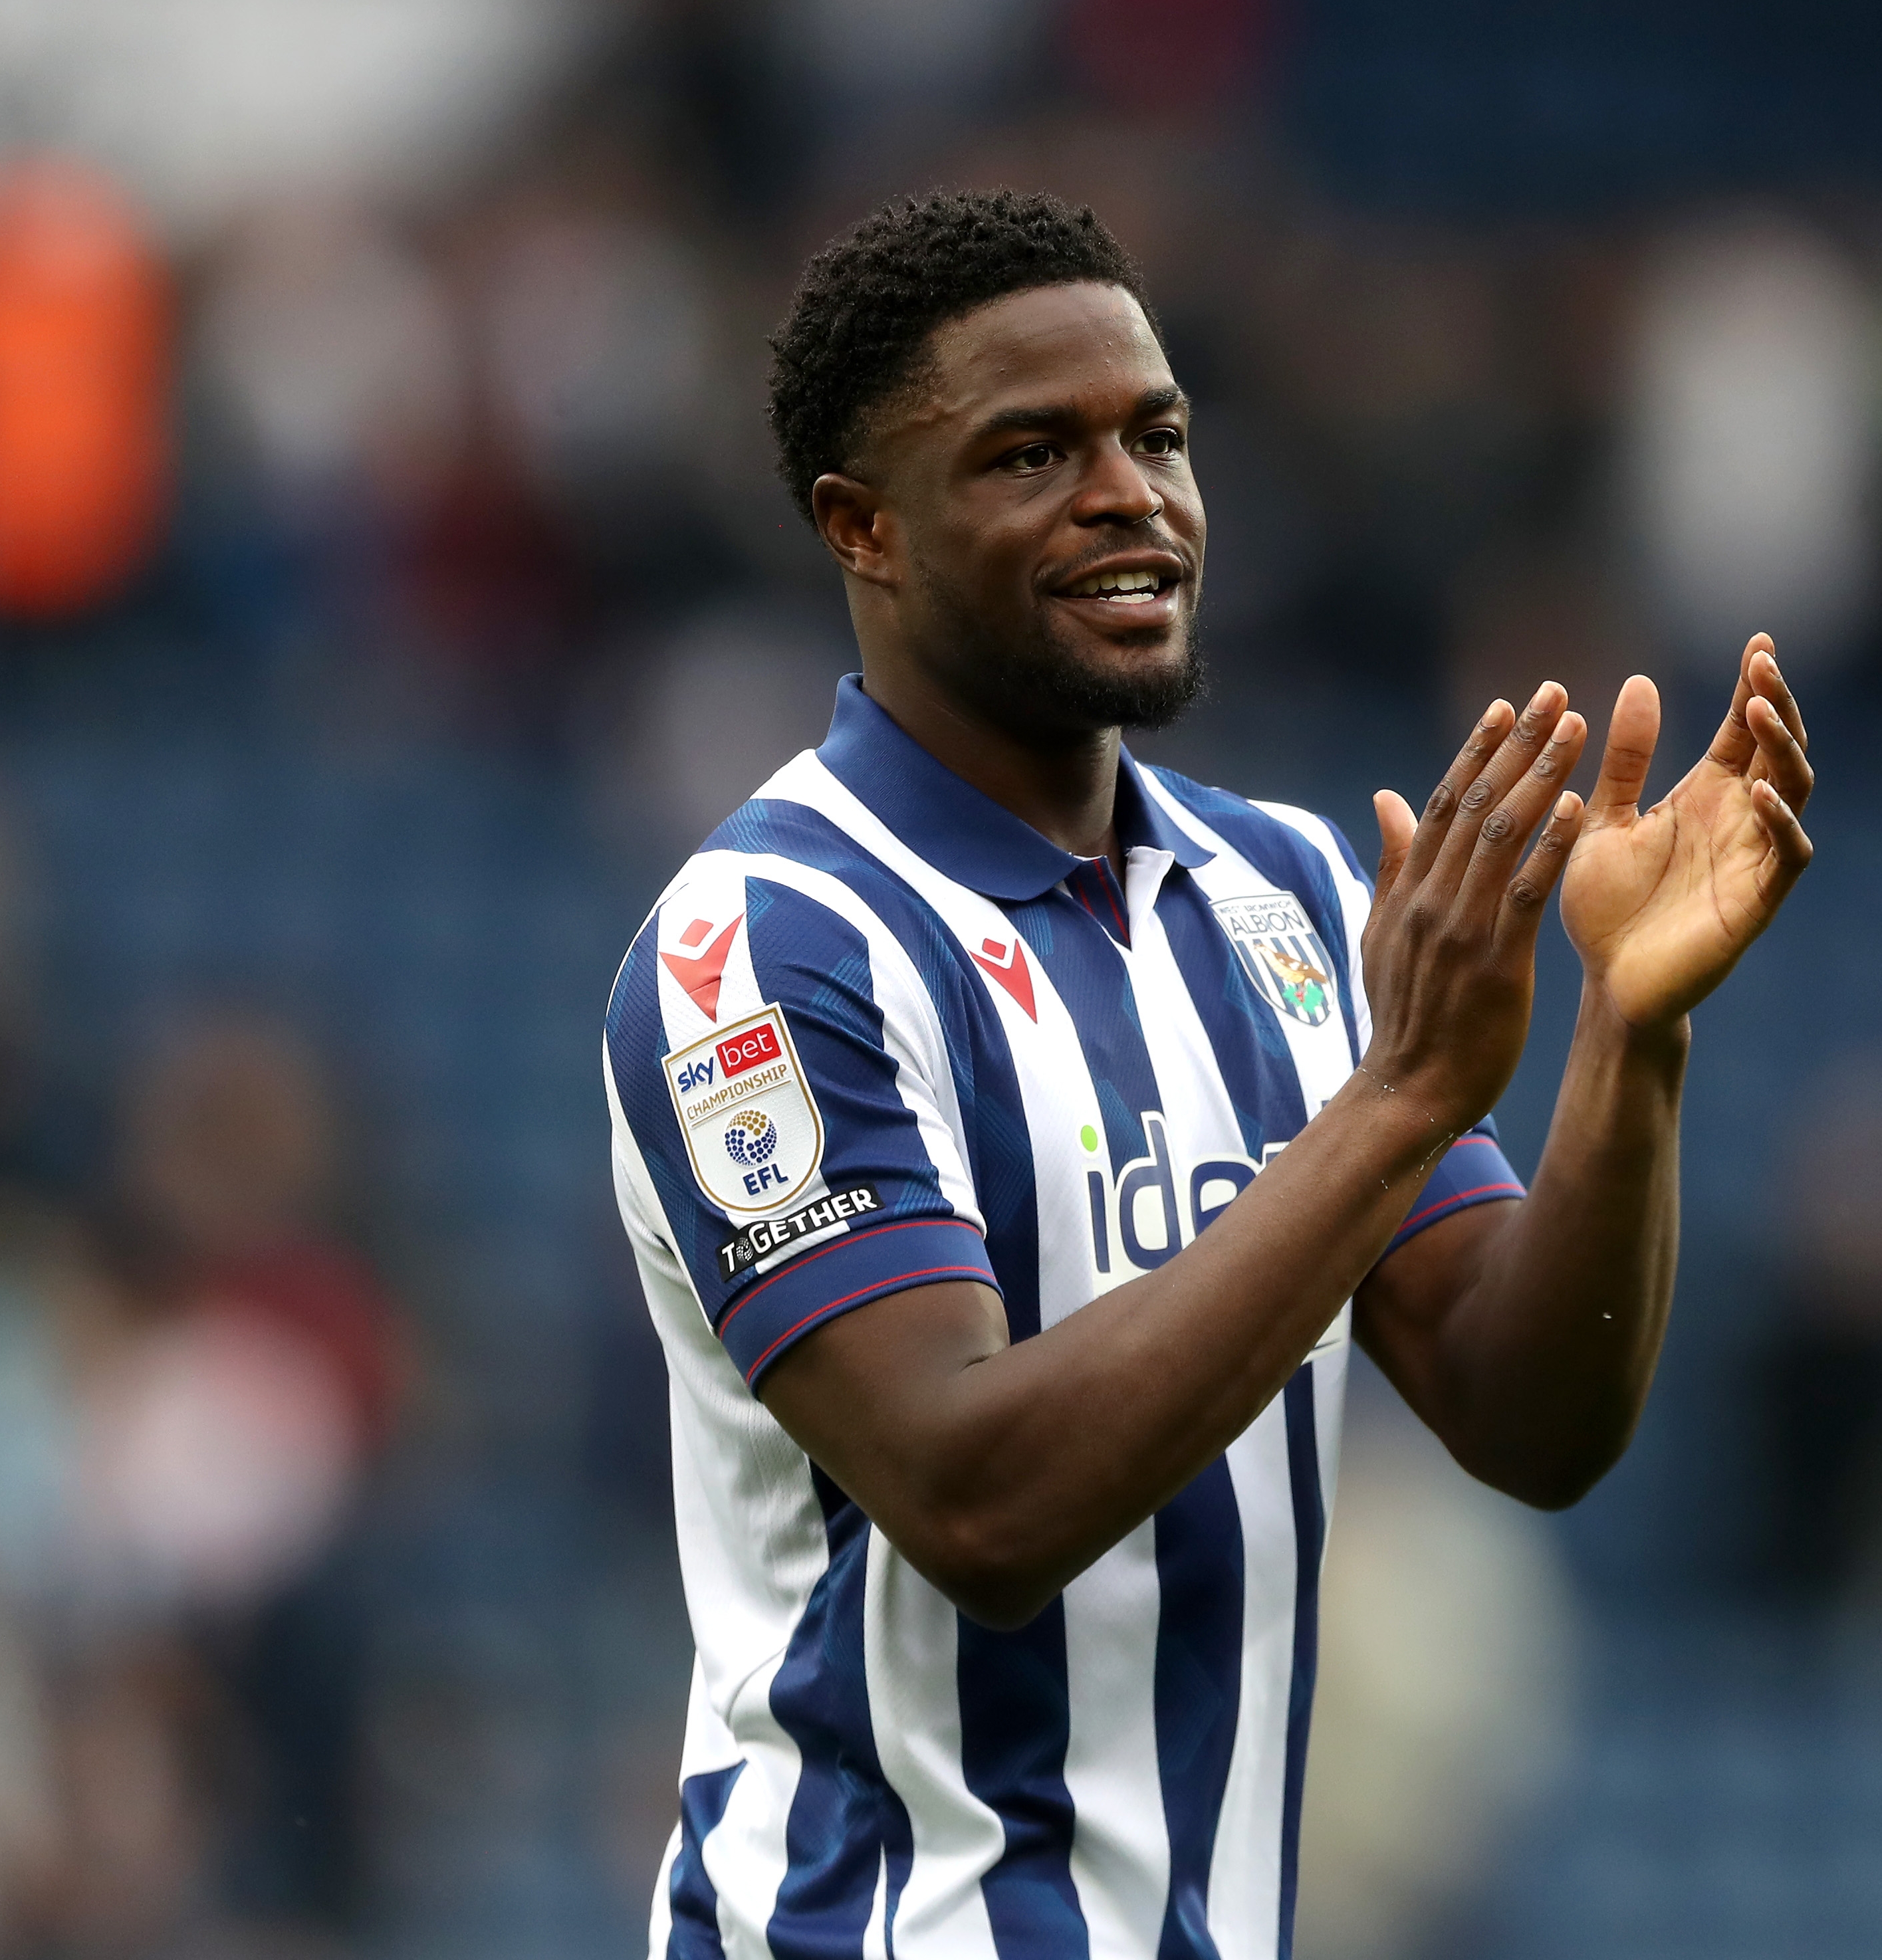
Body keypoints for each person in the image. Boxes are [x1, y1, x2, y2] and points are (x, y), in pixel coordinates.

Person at [601, 190, 1815, 1957]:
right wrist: (1393, 1108)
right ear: (863, 526)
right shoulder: (767, 948)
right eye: (1034, 451)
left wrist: (1632, 1035)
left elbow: (1528, 1409)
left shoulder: (1291, 902)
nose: (1132, 494)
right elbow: (974, 1496)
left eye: (1157, 436)